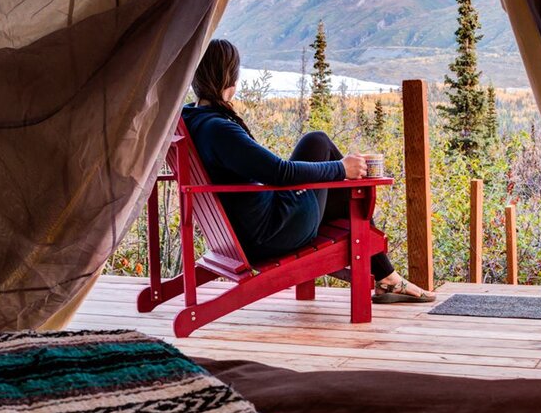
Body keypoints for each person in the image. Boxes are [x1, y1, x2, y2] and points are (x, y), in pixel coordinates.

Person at [181, 38, 434, 304]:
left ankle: (387, 276)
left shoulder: (192, 117)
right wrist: (341, 168)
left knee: (316, 141)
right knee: (332, 163)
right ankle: (387, 276)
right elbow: (279, 172)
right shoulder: (219, 129)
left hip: (248, 228)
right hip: (271, 234)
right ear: (229, 78)